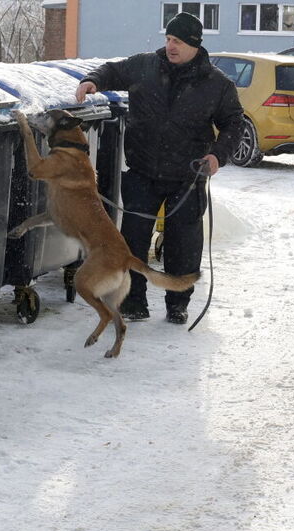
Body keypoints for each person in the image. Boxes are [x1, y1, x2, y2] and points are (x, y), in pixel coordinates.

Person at [76, 12, 244, 325]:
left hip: (187, 177)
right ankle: (134, 301)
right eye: (168, 39)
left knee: (184, 244)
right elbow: (112, 70)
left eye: (177, 41)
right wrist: (92, 80)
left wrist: (218, 155)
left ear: (194, 44)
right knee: (133, 241)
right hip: (142, 171)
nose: (170, 46)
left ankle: (178, 304)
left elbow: (234, 122)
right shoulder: (145, 66)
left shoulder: (216, 84)